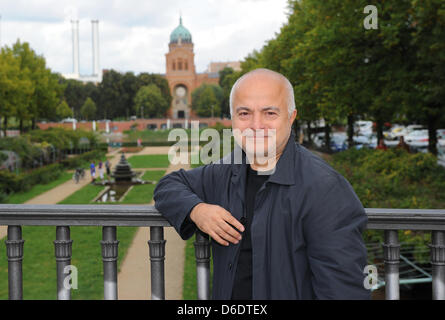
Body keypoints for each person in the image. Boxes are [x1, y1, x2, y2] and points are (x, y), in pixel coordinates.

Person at [153, 68, 370, 300]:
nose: (256, 125)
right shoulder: (225, 172)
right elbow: (168, 186)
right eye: (244, 113)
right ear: (233, 119)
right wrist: (197, 210)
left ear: (291, 116)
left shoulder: (326, 190)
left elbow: (343, 292)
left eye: (269, 113)